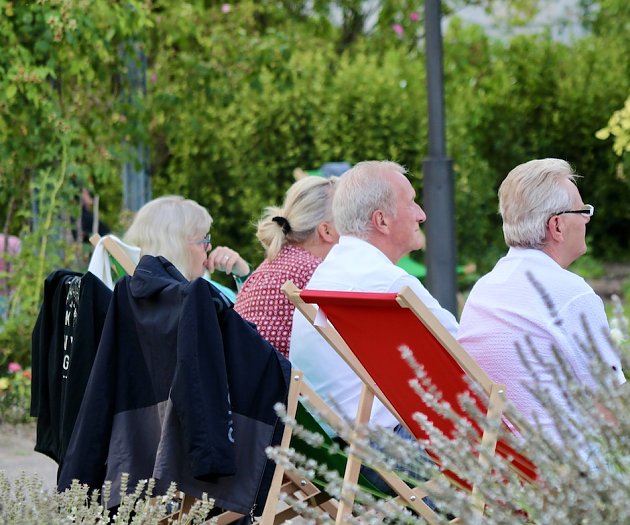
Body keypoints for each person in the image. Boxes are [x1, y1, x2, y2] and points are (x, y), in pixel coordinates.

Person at [457, 158, 625, 442]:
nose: (587, 219)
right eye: (582, 211)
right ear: (557, 226)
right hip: (565, 469)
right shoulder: (571, 293)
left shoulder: (484, 289)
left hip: (494, 465)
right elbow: (613, 409)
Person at [289, 161, 458, 430]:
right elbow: (465, 358)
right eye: (412, 203)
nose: (421, 214)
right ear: (381, 220)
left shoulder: (326, 277)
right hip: (389, 448)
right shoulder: (390, 283)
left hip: (340, 450)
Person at [234, 176, 339, 358]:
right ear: (327, 231)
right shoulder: (316, 273)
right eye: (347, 222)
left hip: (247, 380)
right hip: (287, 383)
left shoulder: (270, 265)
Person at [124, 195, 250, 286]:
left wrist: (242, 273)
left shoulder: (131, 300)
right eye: (203, 240)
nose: (210, 247)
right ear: (176, 248)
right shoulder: (203, 298)